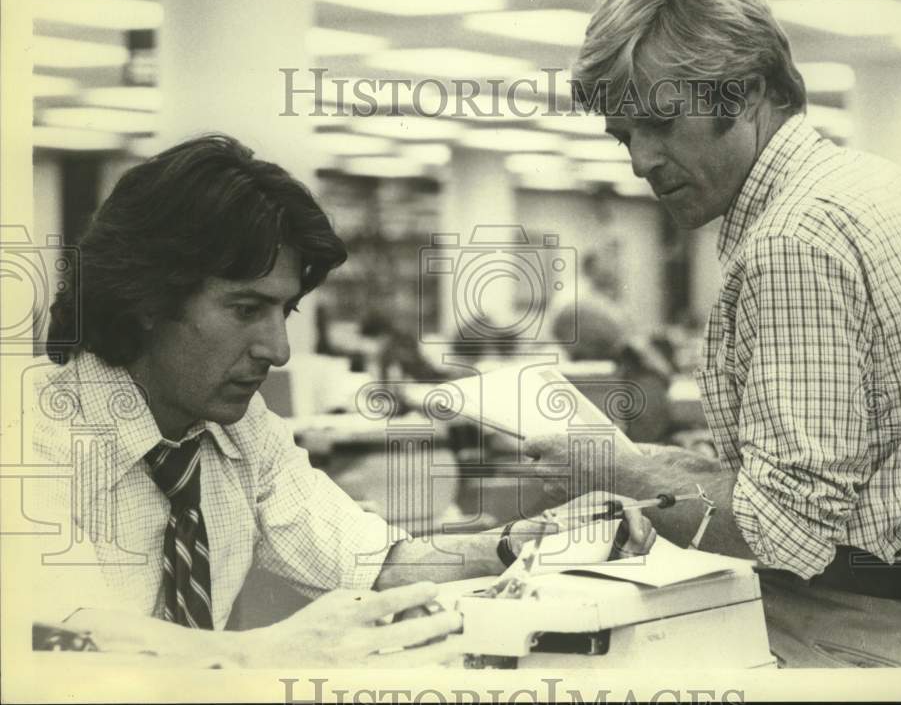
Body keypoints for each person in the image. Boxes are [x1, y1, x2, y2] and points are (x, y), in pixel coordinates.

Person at [29, 135, 653, 666]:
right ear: (144, 299)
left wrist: (520, 543)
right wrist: (256, 657)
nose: (277, 350)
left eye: (284, 312)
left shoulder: (238, 432)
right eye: (245, 309)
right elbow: (49, 638)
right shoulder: (28, 434)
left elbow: (370, 560)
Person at [523, 0, 901, 668]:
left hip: (840, 631)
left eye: (661, 122)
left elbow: (789, 526)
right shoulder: (875, 186)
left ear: (749, 89)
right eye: (623, 135)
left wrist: (619, 473)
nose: (641, 160)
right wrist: (657, 464)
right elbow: (846, 462)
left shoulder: (790, 241)